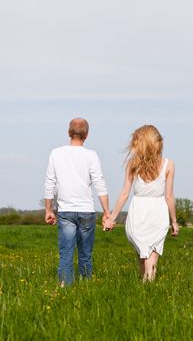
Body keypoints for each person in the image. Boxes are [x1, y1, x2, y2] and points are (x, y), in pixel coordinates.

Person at [104, 125, 179, 282]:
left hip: (139, 210)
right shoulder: (168, 164)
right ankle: (148, 286)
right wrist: (174, 221)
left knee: (142, 254)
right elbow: (169, 197)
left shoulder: (132, 164)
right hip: (158, 211)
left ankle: (145, 285)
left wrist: (112, 217)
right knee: (152, 255)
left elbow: (125, 193)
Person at [44, 118, 112, 286]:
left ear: (69, 132)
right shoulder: (91, 155)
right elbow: (99, 184)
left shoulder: (56, 153)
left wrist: (48, 210)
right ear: (86, 135)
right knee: (85, 254)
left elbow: (49, 183)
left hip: (66, 211)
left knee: (66, 253)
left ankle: (65, 287)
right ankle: (85, 286)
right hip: (87, 211)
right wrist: (107, 212)